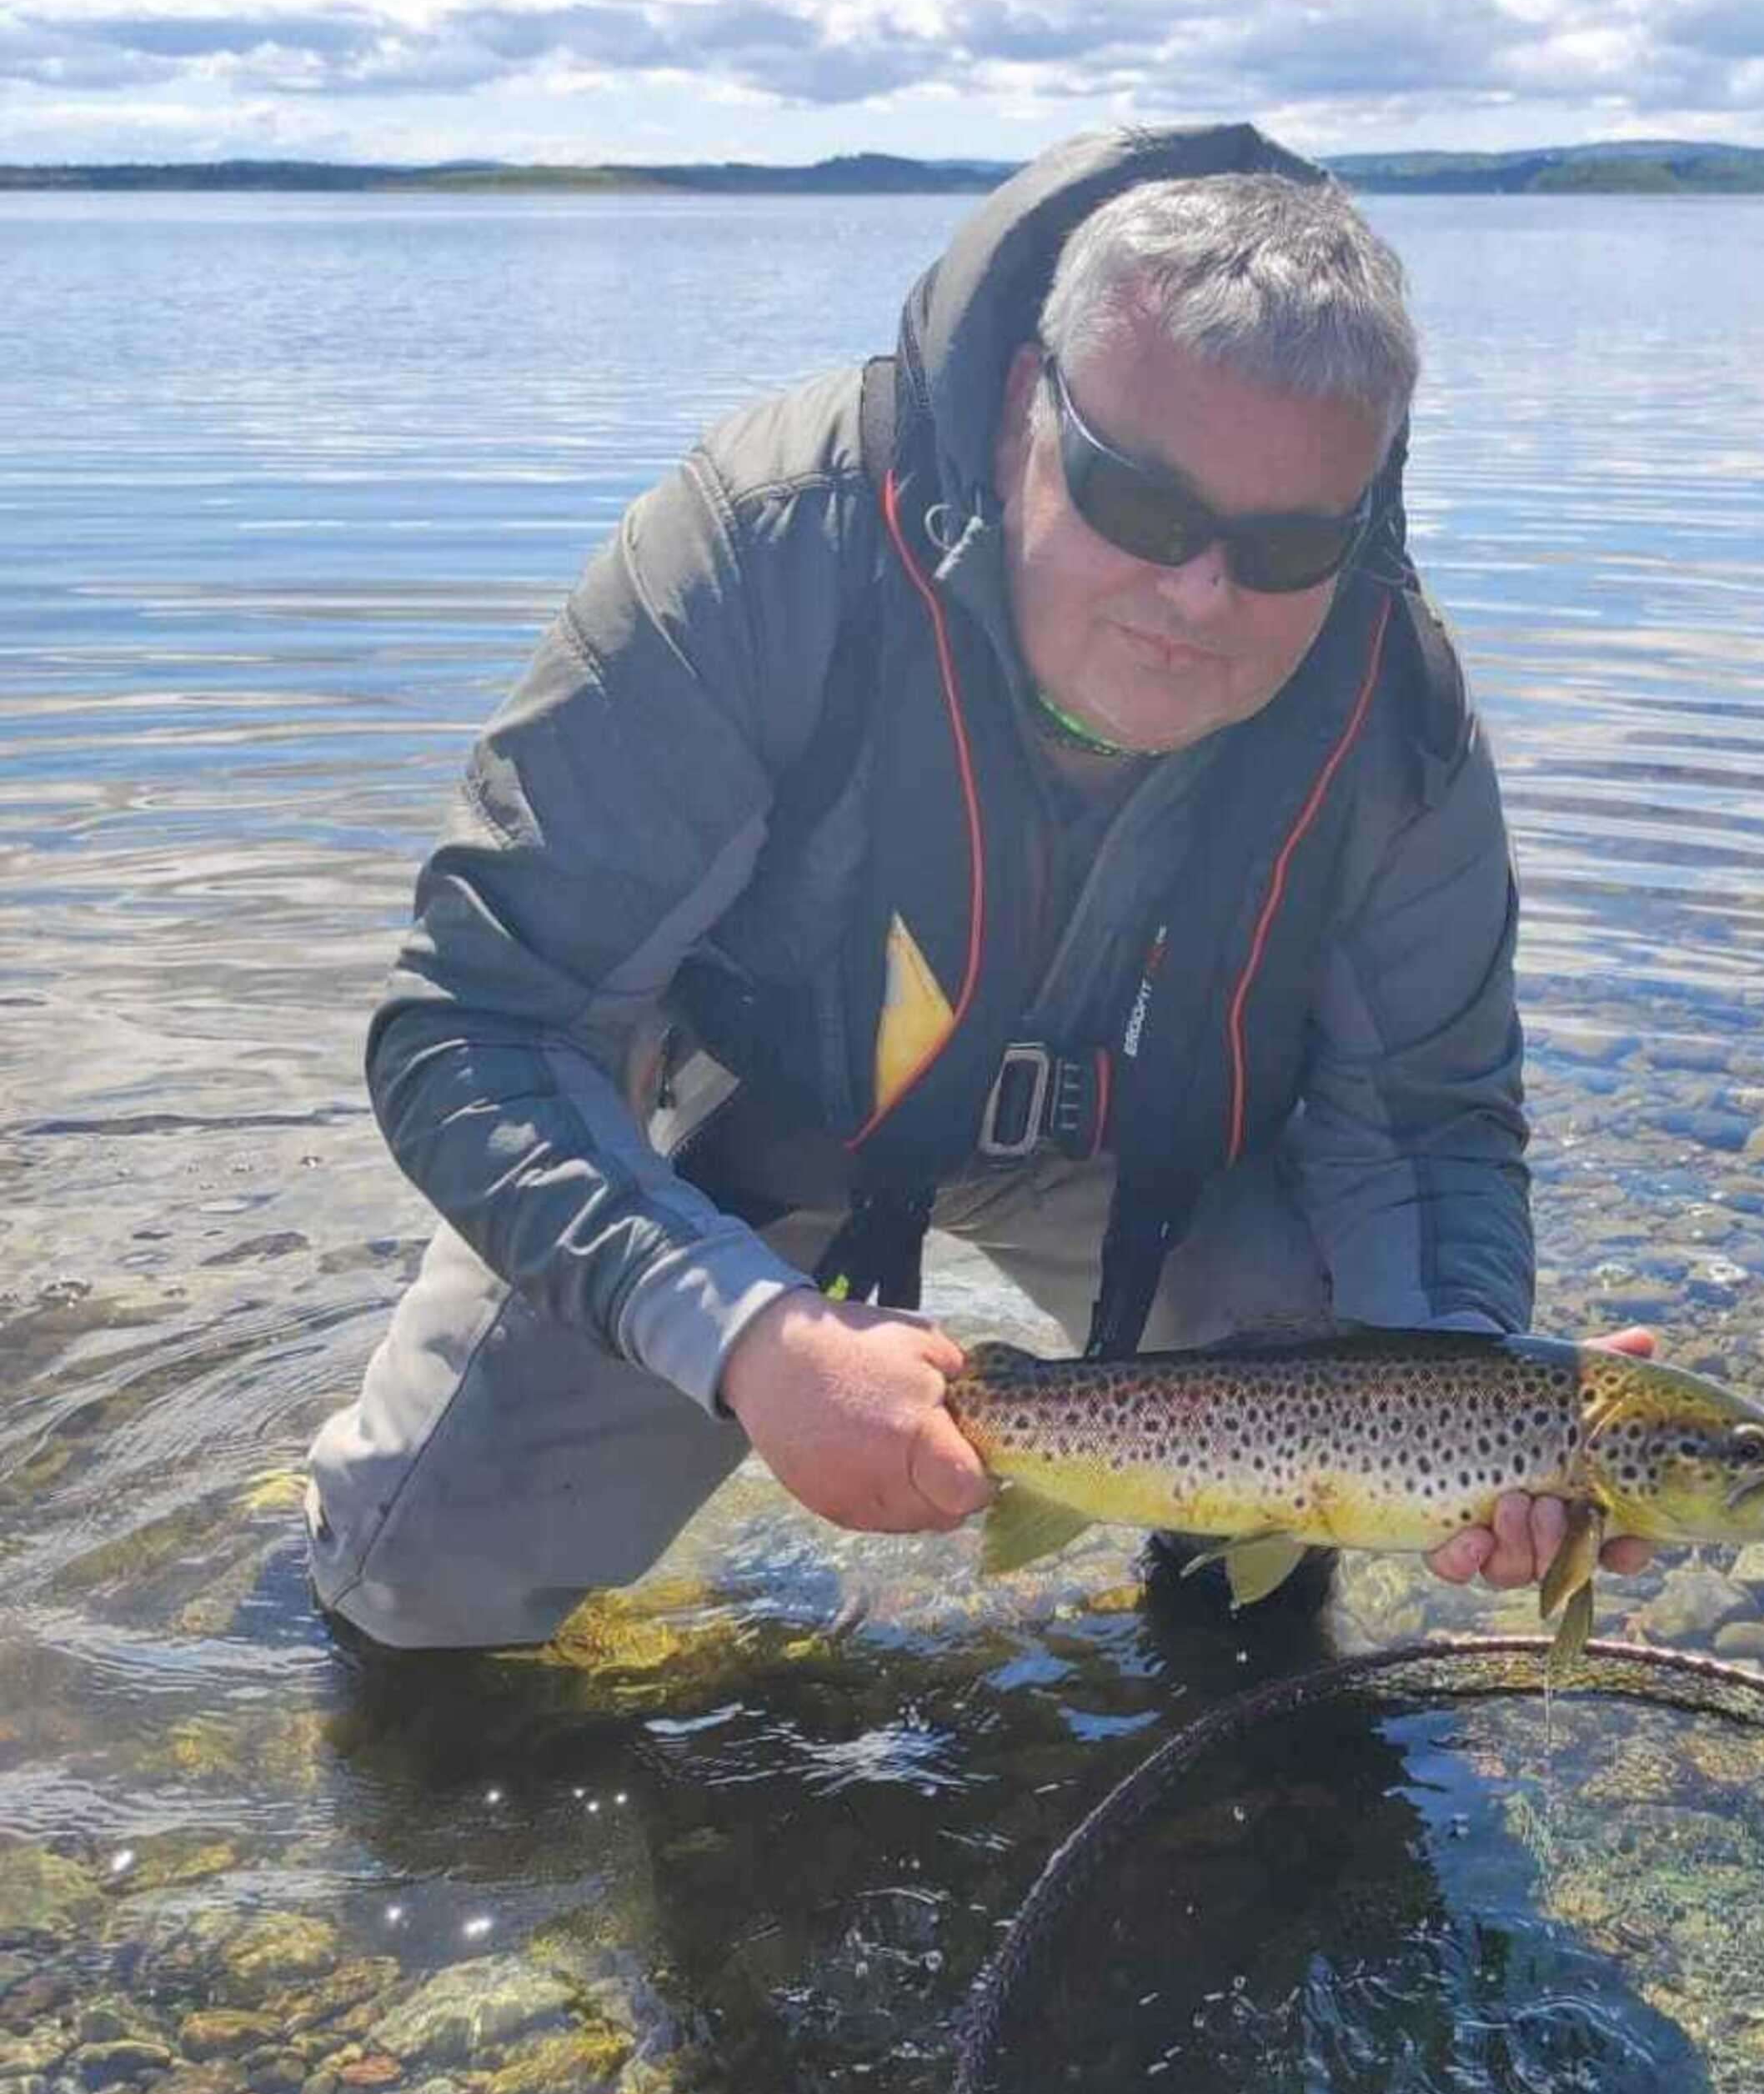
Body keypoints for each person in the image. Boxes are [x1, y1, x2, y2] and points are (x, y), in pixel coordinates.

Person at [304, 122, 1657, 1650]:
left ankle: (1226, 1648)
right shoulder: (762, 552)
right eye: (1143, 504)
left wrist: (1475, 1403)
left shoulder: (1393, 712)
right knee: (420, 1592)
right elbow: (475, 1026)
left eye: (1288, 545)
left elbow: (1424, 1116)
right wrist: (753, 1333)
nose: (1202, 593)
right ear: (1029, 404)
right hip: (753, 1112)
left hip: (1148, 1146)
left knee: (1333, 1352)